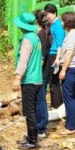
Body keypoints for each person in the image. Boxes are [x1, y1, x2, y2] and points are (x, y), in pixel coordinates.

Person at [12, 12, 43, 150]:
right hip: (37, 78)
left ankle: (32, 141)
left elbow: (23, 60)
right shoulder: (35, 37)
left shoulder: (27, 40)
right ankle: (31, 138)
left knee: (29, 111)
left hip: (29, 80)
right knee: (32, 110)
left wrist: (18, 78)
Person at [58, 12, 75, 136]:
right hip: (74, 68)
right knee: (71, 97)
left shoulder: (72, 35)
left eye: (62, 21)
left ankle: (71, 126)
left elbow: (69, 53)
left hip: (71, 69)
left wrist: (63, 70)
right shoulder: (74, 34)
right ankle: (72, 122)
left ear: (67, 22)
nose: (61, 23)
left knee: (69, 97)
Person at [44, 4, 65, 113]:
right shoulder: (51, 24)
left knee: (54, 81)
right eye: (46, 14)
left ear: (54, 13)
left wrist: (58, 58)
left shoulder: (57, 25)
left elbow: (60, 42)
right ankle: (54, 105)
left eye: (49, 14)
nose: (47, 16)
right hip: (51, 54)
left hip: (55, 55)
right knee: (51, 81)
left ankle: (57, 106)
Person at [34, 10, 52, 138]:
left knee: (40, 100)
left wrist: (35, 72)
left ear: (36, 21)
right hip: (44, 72)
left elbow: (42, 57)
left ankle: (41, 127)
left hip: (41, 73)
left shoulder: (41, 35)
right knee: (41, 100)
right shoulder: (44, 33)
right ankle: (41, 125)